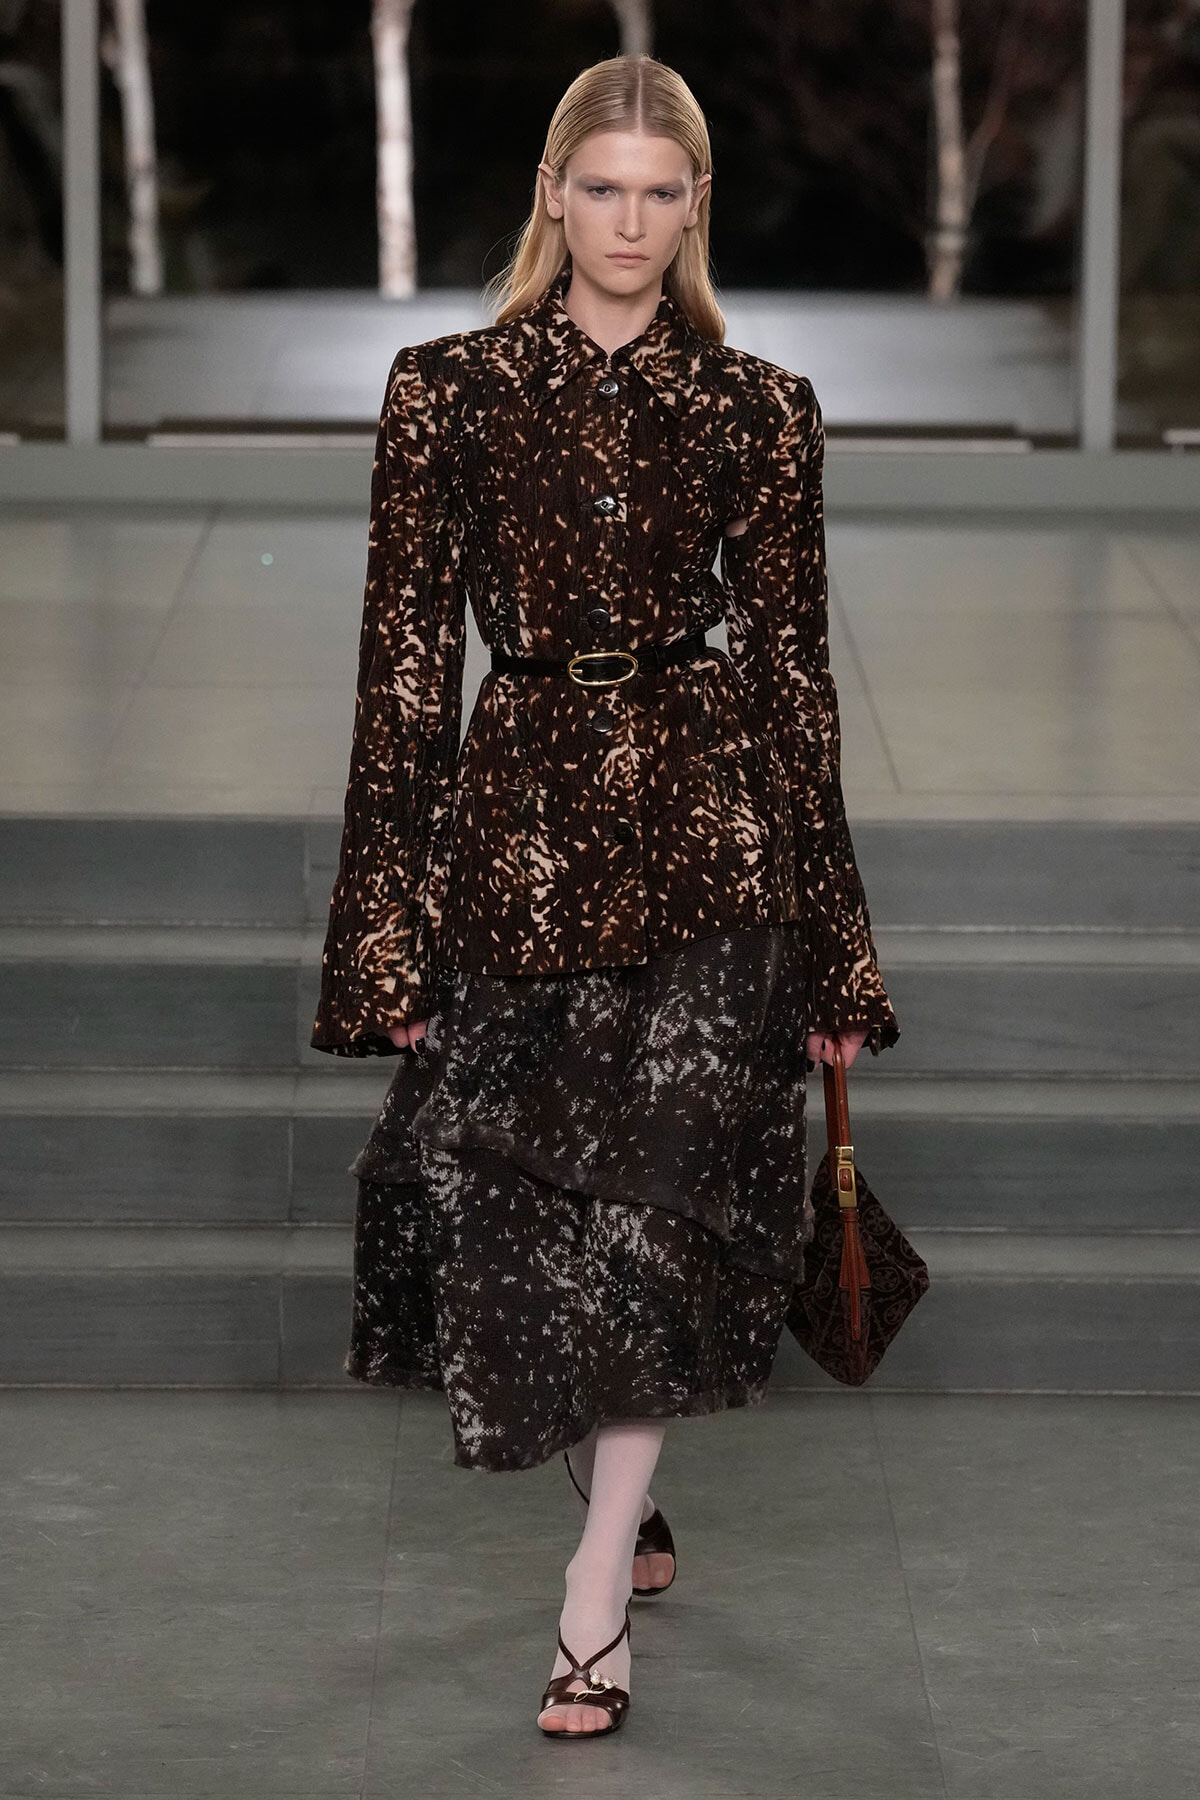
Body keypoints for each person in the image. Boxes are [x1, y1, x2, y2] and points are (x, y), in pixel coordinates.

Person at [311, 52, 899, 1740]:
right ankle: (620, 1496)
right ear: (553, 196)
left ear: (692, 207)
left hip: (711, 834)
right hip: (518, 832)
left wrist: (836, 942)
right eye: (603, 187)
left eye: (662, 193)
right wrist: (383, 929)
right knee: (532, 1216)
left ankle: (587, 1595)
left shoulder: (756, 407)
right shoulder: (447, 393)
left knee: (651, 1210)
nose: (630, 221)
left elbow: (796, 682)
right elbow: (404, 678)